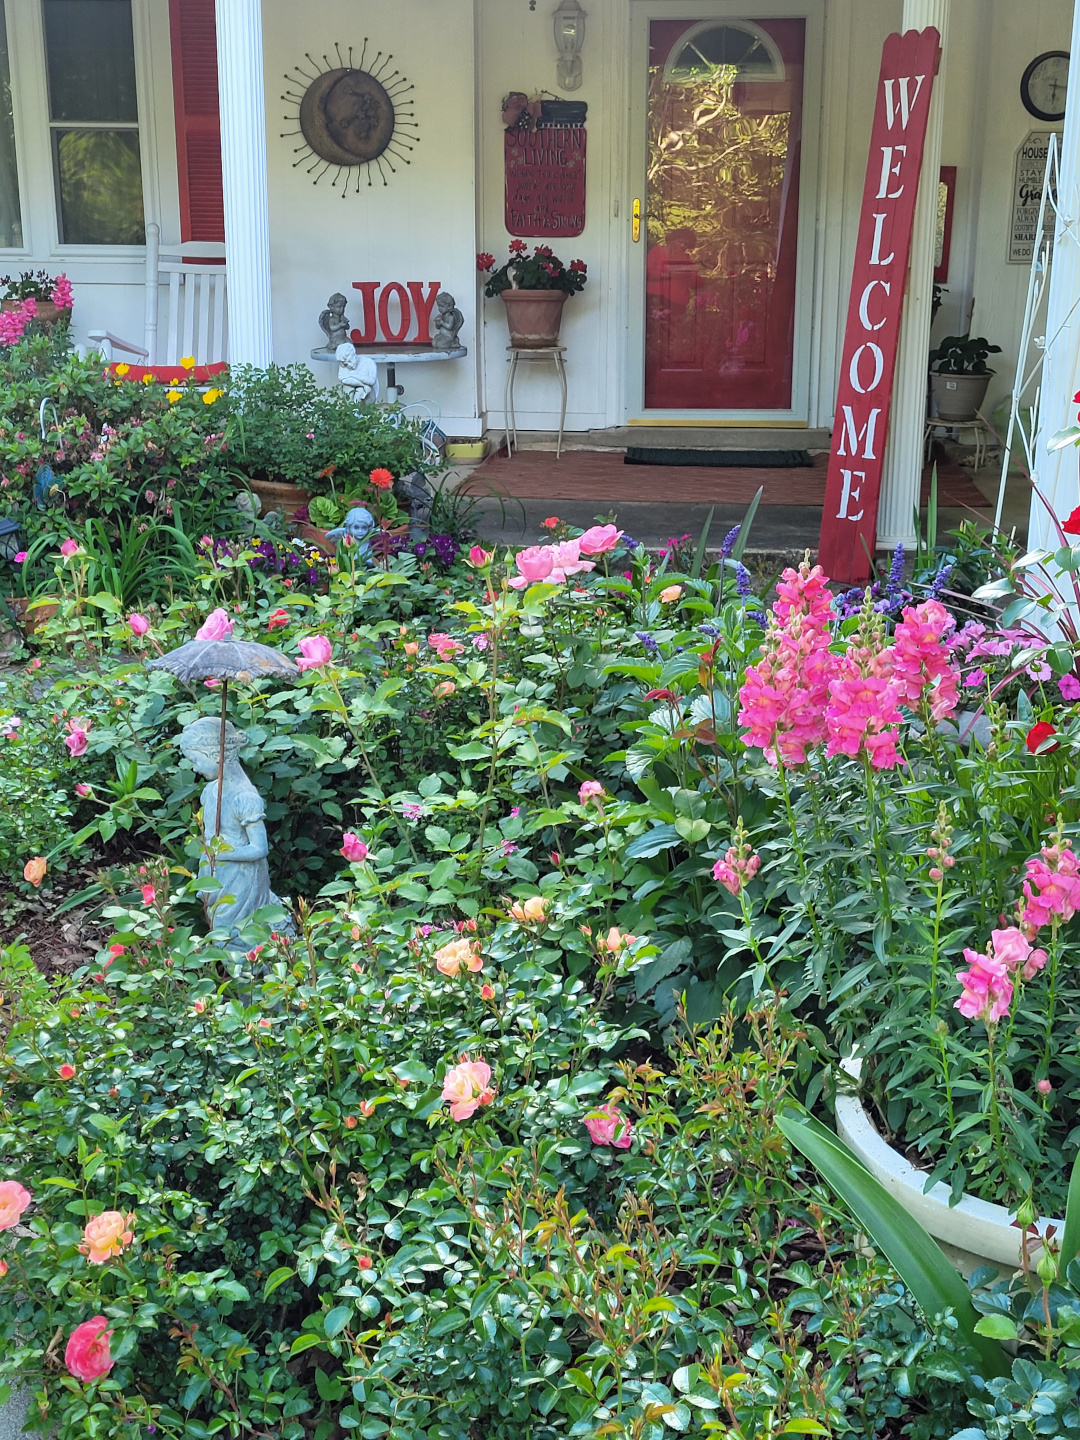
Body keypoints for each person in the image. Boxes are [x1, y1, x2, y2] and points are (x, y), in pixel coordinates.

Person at [178, 716, 290, 947]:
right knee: (220, 930)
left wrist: (220, 854)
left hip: (242, 878)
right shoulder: (210, 792)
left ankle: (254, 977)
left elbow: (259, 848)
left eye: (195, 760)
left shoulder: (244, 797)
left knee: (236, 936)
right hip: (218, 872)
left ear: (215, 755)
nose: (194, 767)